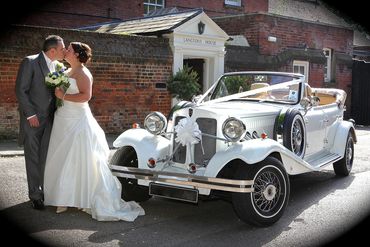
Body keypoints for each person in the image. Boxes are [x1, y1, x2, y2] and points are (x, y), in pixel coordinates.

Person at [43, 42, 145, 221]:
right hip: (63, 118)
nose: (66, 50)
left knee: (79, 159)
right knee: (62, 156)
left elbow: (86, 96)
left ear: (76, 54)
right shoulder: (66, 71)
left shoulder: (83, 73)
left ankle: (82, 197)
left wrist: (63, 96)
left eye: (69, 49)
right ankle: (64, 197)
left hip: (77, 120)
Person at [15, 35, 65, 210]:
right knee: (33, 157)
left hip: (51, 119)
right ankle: (35, 195)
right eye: (62, 49)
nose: (64, 51)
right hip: (33, 120)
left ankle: (45, 191)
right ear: (52, 50)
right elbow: (21, 90)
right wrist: (30, 115)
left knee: (46, 157)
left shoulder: (59, 66)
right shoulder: (30, 62)